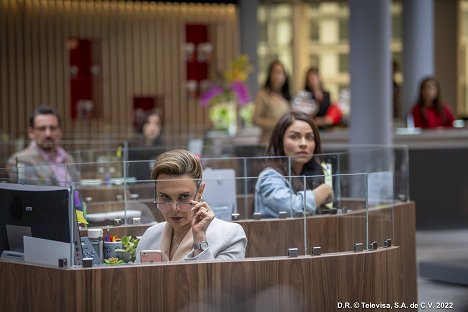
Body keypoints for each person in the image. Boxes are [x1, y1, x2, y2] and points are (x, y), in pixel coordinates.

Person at [135, 149, 247, 262]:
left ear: (200, 191)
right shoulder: (150, 236)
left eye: (183, 197)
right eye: (165, 197)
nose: (174, 209)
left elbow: (218, 279)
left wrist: (200, 240)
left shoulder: (229, 235)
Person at [254, 111, 333, 218]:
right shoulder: (269, 177)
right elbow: (294, 208)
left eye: (309, 137)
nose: (303, 144)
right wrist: (324, 191)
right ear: (280, 141)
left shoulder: (307, 174)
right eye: (294, 137)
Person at [7, 106, 79, 185]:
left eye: (53, 128)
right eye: (42, 129)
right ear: (31, 133)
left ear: (60, 131)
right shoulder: (19, 160)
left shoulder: (68, 158)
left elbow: (78, 191)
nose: (48, 134)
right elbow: (30, 195)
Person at [253, 60, 291, 145]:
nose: (277, 76)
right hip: (267, 143)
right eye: (275, 72)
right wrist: (275, 122)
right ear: (269, 75)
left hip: (284, 143)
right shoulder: (262, 95)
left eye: (280, 73)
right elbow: (255, 120)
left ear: (285, 76)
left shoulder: (287, 97)